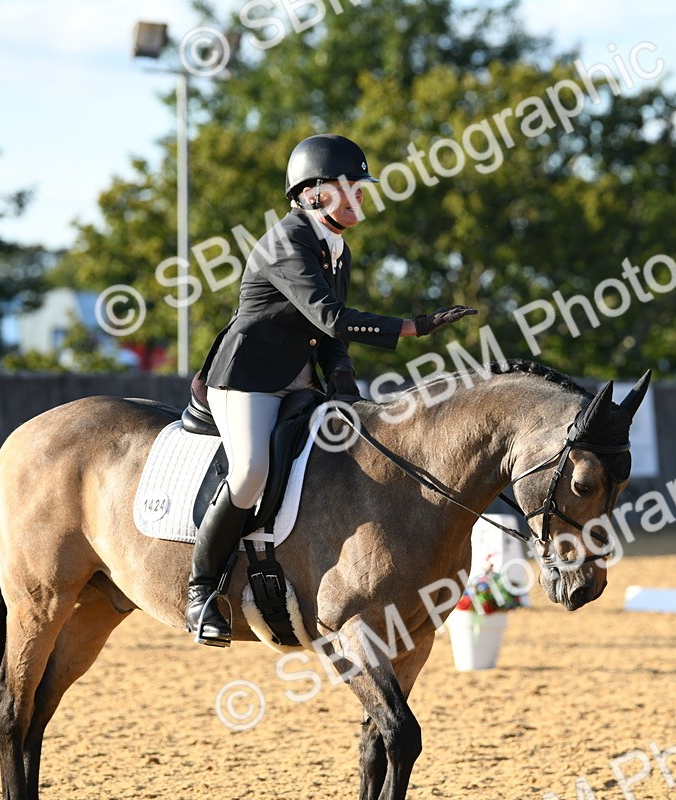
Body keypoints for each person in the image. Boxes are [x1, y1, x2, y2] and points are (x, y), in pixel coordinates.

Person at [184, 133, 476, 646]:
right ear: (315, 192)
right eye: (353, 188)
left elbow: (326, 339)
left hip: (298, 378)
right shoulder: (287, 239)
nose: (362, 196)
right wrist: (411, 327)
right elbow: (332, 318)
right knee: (251, 472)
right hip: (247, 379)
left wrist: (347, 392)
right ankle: (201, 590)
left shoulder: (337, 248)